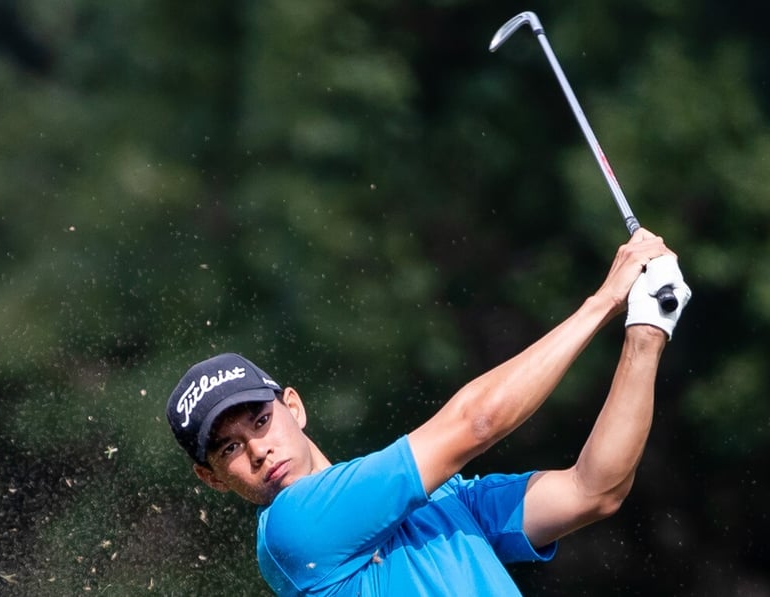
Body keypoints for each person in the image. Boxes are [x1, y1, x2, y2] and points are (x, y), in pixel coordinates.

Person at [165, 229, 690, 596]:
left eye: (259, 421)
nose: (259, 451)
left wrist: (646, 333)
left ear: (294, 407)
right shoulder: (291, 527)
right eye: (229, 448)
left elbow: (593, 492)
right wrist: (602, 301)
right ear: (210, 478)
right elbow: (476, 424)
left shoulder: (437, 500)